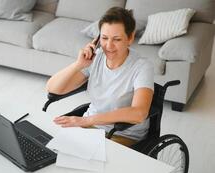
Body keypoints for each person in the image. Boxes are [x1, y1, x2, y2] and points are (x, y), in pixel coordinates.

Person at [46, 7, 154, 147]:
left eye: (117, 39)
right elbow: (53, 89)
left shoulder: (142, 67)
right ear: (97, 39)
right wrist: (78, 65)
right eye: (104, 38)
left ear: (130, 37)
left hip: (121, 134)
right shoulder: (96, 58)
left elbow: (139, 113)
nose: (108, 46)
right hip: (90, 127)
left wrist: (87, 121)